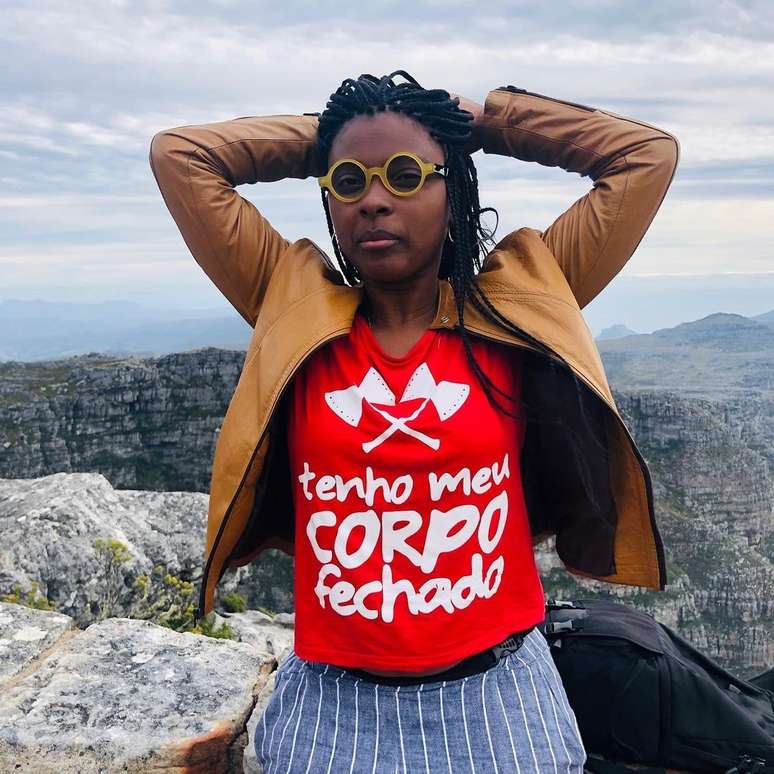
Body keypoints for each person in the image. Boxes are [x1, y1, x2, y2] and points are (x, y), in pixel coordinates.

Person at [149, 70, 679, 773]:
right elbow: (180, 156)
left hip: (500, 702)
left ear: (453, 190)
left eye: (405, 176)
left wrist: (482, 123)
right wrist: (338, 135)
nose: (373, 201)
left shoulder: (517, 309)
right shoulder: (293, 308)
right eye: (349, 183)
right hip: (331, 707)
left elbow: (645, 156)